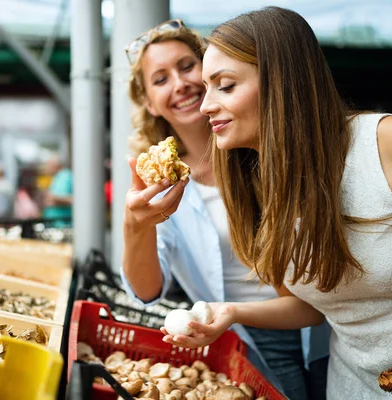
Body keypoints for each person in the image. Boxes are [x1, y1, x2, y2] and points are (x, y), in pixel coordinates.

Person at [161, 7, 392, 399]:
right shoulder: (253, 188)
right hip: (351, 387)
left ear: (282, 82)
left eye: (224, 85)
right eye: (207, 88)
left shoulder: (391, 143)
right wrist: (232, 313)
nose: (205, 105)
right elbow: (311, 308)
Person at [120, 19, 330, 399]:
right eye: (160, 78)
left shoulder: (269, 149)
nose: (181, 83)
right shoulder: (158, 180)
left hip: (323, 326)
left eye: (187, 66)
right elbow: (147, 290)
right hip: (239, 337)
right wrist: (135, 225)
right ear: (149, 102)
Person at [42, 156, 73, 227]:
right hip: (55, 224)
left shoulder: (65, 176)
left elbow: (73, 199)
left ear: (55, 165)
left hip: (63, 224)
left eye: (48, 165)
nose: (47, 168)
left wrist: (52, 198)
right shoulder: (57, 177)